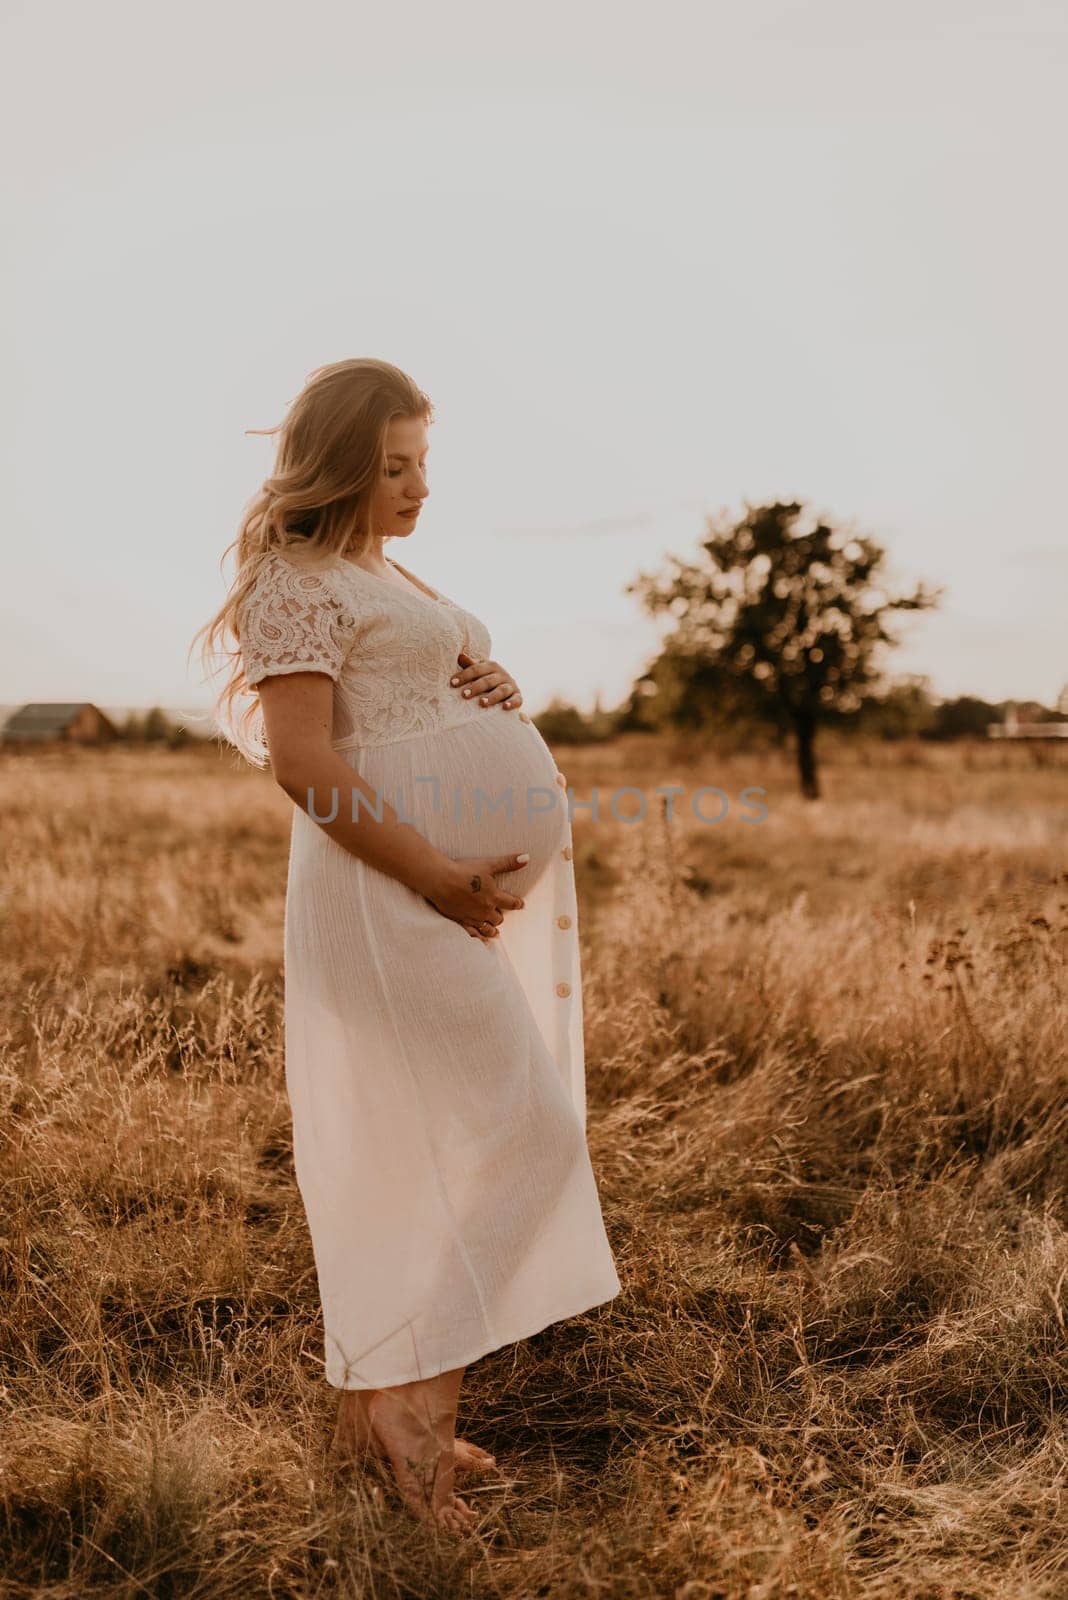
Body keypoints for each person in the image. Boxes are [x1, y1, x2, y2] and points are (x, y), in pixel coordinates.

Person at [193, 357, 620, 1538]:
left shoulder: (381, 566)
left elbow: (413, 684)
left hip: (431, 893)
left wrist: (489, 680)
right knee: (525, 1133)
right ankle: (411, 1412)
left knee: (442, 1141)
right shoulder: (293, 578)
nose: (418, 484)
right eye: (393, 466)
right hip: (385, 896)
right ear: (336, 466)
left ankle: (376, 1398)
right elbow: (305, 759)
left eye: (424, 461)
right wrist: (433, 872)